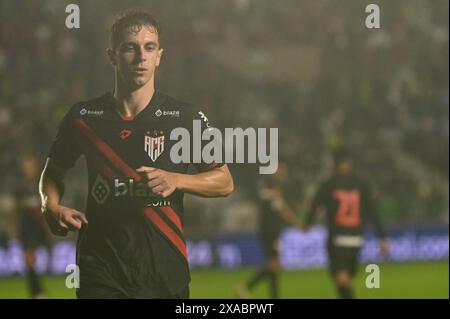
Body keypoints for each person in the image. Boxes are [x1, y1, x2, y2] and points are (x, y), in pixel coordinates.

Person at [39, 10, 233, 299]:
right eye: (130, 47)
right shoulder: (84, 117)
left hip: (163, 272)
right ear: (112, 56)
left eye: (149, 47)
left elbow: (224, 181)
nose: (141, 56)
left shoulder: (184, 118)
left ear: (159, 56)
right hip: (100, 268)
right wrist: (49, 205)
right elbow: (53, 173)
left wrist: (177, 179)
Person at [304, 148, 389, 299]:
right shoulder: (361, 184)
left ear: (334, 163)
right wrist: (382, 238)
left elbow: (315, 205)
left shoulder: (329, 184)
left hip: (337, 239)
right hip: (356, 240)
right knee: (346, 281)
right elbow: (372, 211)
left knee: (342, 280)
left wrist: (307, 224)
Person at [236, 163, 302, 299]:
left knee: (274, 264)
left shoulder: (276, 189)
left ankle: (273, 296)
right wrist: (297, 223)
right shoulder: (268, 186)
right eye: (281, 170)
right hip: (268, 230)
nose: (283, 173)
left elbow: (283, 211)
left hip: (273, 230)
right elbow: (279, 208)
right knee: (273, 264)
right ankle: (246, 287)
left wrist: (297, 224)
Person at [15, 155, 50, 298]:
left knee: (29, 259)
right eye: (25, 165)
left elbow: (45, 206)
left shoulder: (40, 184)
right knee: (28, 260)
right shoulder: (21, 186)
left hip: (35, 229)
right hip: (24, 228)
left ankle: (38, 292)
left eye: (30, 165)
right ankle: (37, 292)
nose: (28, 168)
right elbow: (17, 208)